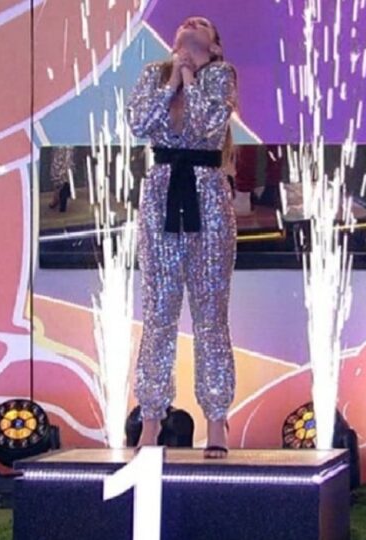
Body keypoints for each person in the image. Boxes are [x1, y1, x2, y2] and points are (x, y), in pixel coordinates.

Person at [126, 16, 238, 459]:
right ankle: (151, 420)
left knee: (211, 316)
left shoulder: (221, 76)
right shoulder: (153, 75)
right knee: (158, 313)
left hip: (208, 197)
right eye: (186, 23)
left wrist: (191, 79)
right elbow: (139, 122)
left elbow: (209, 125)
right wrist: (173, 78)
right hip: (160, 196)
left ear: (214, 47)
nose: (191, 24)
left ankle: (217, 420)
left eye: (202, 25)